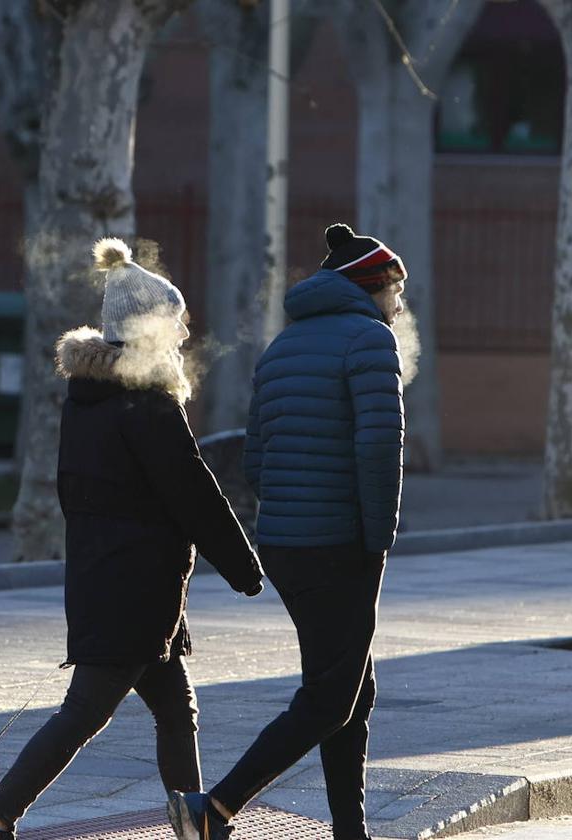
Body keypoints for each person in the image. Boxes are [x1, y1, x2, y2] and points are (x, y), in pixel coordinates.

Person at [0, 237, 264, 840]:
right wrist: (244, 567)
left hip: (110, 579)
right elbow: (194, 493)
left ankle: (192, 821)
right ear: (147, 330)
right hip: (137, 590)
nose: (182, 336)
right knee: (86, 711)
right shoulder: (148, 406)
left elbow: (77, 494)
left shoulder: (87, 402)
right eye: (174, 325)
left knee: (177, 712)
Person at [167, 223, 406, 840]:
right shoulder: (372, 341)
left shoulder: (283, 346)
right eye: (397, 290)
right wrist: (378, 539)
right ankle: (214, 809)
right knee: (331, 697)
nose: (401, 304)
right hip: (342, 543)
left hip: (285, 542)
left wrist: (287, 511)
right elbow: (379, 448)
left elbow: (255, 458)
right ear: (373, 287)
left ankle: (349, 829)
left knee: (349, 682)